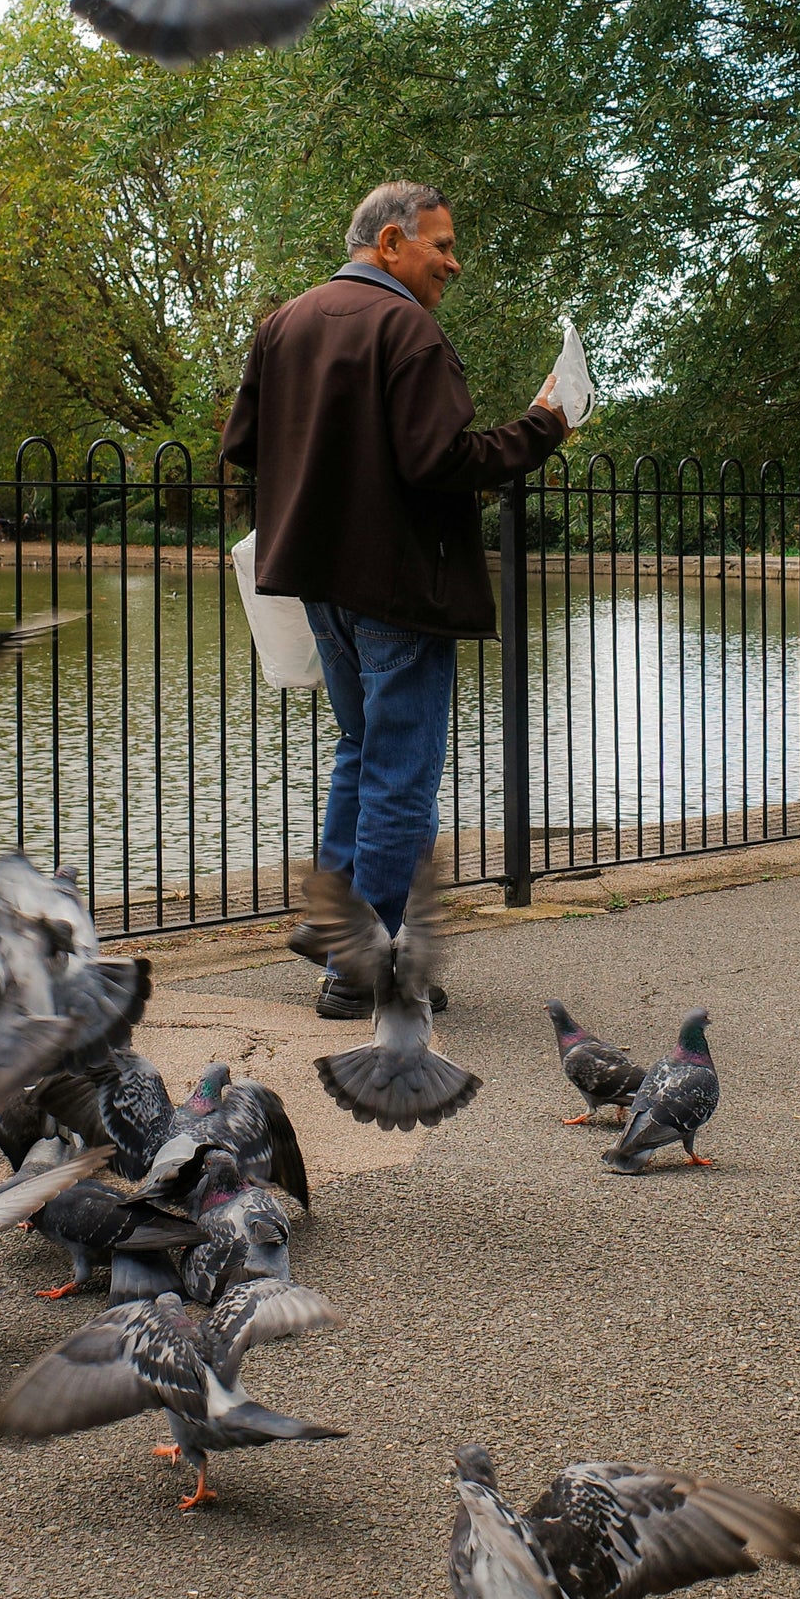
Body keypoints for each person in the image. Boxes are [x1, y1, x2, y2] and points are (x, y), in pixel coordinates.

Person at [220, 180, 571, 1018]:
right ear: (388, 243)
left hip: (318, 581)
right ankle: (353, 957)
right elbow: (440, 461)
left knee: (362, 753)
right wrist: (544, 426)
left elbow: (243, 446)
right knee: (402, 775)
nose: (453, 261)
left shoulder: (284, 324)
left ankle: (341, 935)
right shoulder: (407, 328)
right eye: (440, 245)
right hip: (399, 586)